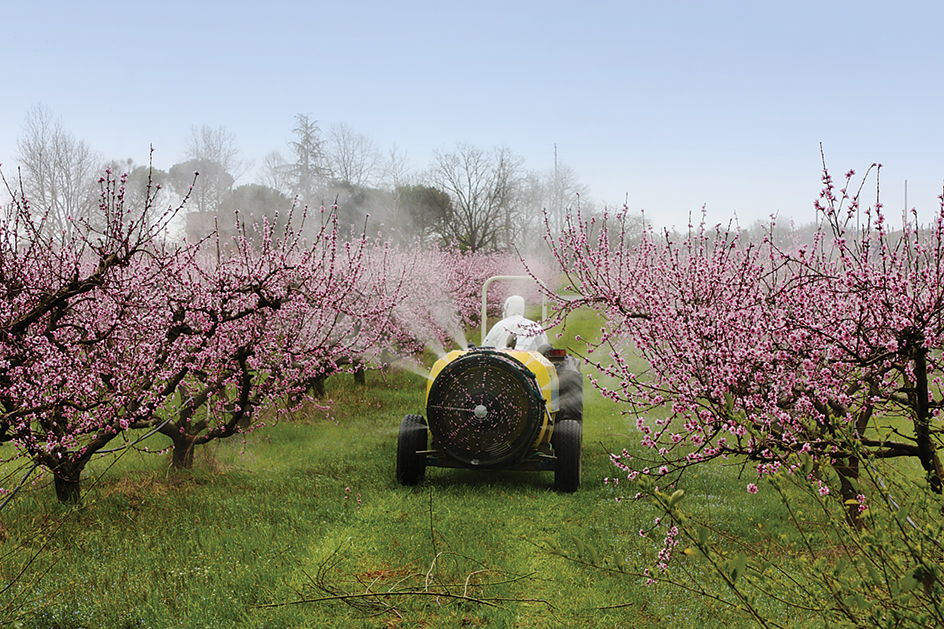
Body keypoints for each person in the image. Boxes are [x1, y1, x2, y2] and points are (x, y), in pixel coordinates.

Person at [482, 295, 549, 351]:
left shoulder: (499, 326)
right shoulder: (535, 327)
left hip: (502, 364)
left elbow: (486, 347)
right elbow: (543, 348)